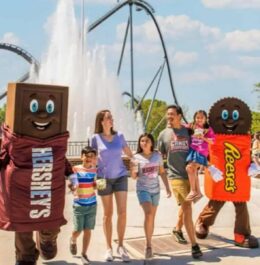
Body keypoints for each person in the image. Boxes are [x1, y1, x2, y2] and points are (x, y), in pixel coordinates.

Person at [157, 105, 203, 259]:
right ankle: (194, 245)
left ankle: (177, 229)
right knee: (188, 208)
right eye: (167, 114)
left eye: (171, 114)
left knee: (186, 205)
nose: (168, 116)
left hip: (190, 174)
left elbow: (198, 146)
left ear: (179, 116)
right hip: (175, 176)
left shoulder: (188, 131)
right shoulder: (163, 135)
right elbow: (158, 157)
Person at [91, 109, 133, 262]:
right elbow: (91, 159)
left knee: (122, 212)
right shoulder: (95, 138)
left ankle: (121, 246)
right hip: (103, 179)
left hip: (121, 177)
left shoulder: (119, 136)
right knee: (107, 214)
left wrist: (146, 156)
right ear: (102, 121)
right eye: (108, 118)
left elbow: (129, 154)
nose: (111, 120)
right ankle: (108, 248)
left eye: (111, 117)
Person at [130, 133, 171, 260]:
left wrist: (168, 188)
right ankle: (148, 246)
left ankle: (150, 242)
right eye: (142, 141)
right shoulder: (136, 157)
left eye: (146, 141)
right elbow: (134, 177)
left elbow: (162, 172)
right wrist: (133, 170)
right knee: (148, 214)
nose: (144, 143)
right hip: (143, 190)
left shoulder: (157, 156)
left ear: (151, 143)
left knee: (151, 218)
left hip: (155, 191)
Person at [69, 146, 97, 265]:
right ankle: (73, 239)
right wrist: (72, 187)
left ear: (94, 158)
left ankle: (84, 254)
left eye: (91, 156)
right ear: (82, 157)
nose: (89, 158)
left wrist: (98, 185)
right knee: (77, 230)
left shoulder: (95, 171)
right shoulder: (75, 169)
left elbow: (95, 185)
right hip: (79, 205)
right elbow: (72, 184)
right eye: (86, 156)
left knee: (88, 230)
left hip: (92, 204)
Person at [185, 110, 215, 201]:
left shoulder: (208, 129)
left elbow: (213, 141)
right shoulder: (192, 126)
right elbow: (181, 126)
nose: (199, 119)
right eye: (197, 117)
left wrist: (203, 137)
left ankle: (193, 190)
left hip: (201, 151)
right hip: (192, 150)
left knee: (189, 168)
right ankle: (198, 193)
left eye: (202, 117)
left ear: (205, 119)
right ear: (194, 118)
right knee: (193, 170)